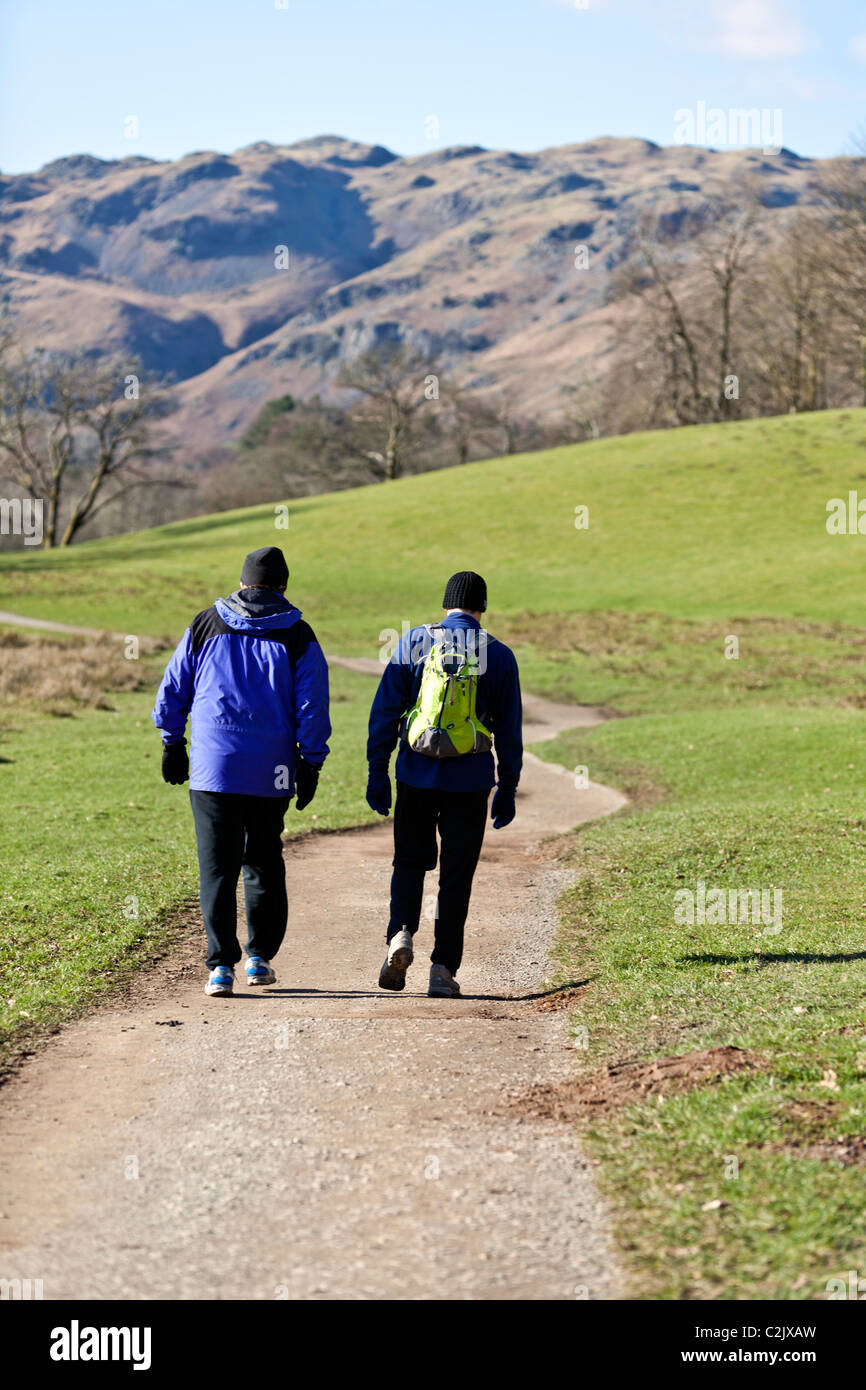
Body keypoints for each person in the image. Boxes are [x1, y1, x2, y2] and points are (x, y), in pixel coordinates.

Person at [152, 546, 330, 997]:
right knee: (263, 862)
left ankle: (219, 968)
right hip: (271, 771)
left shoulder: (205, 624)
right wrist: (310, 763)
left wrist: (173, 743)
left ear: (242, 581)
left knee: (217, 866)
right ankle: (259, 958)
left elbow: (174, 687)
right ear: (283, 586)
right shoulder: (299, 634)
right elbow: (312, 706)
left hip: (214, 769)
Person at [366, 570, 522, 997]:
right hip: (470, 781)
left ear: (445, 604)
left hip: (415, 774)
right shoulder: (500, 655)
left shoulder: (415, 642)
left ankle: (400, 935)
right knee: (456, 875)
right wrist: (507, 786)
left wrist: (376, 770)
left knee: (409, 862)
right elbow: (510, 730)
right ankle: (442, 968)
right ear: (482, 607)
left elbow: (384, 713)